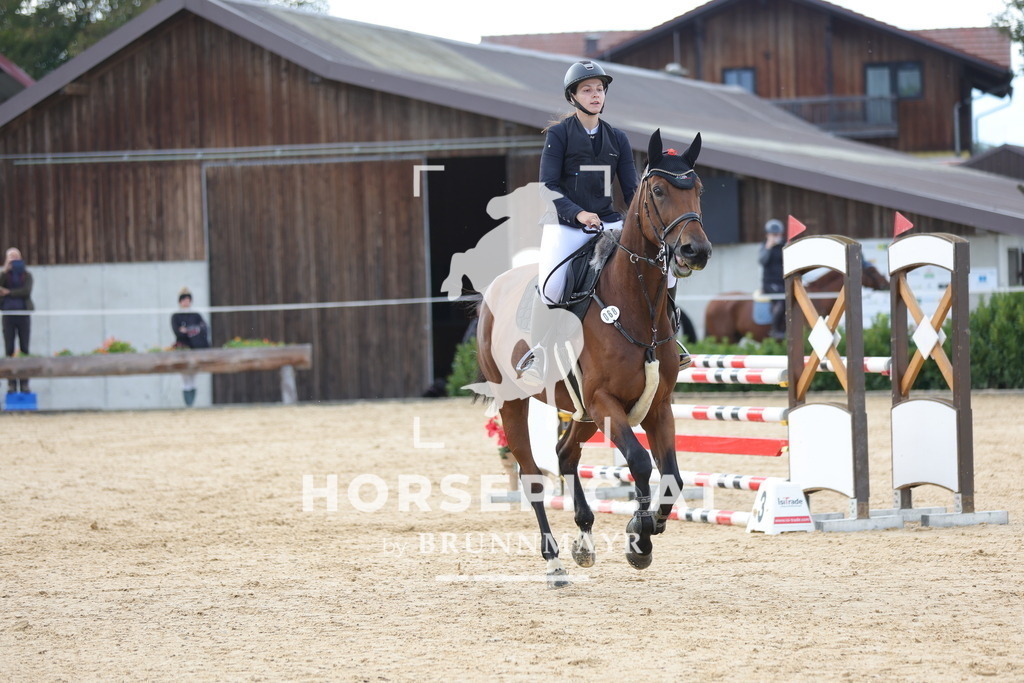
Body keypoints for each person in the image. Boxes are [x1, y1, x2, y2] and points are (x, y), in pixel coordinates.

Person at [517, 60, 689, 385]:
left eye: (599, 89)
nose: (595, 95)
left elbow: (633, 191)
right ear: (573, 96)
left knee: (662, 273)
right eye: (587, 89)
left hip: (608, 223)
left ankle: (667, 340)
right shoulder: (559, 135)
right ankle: (540, 351)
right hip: (565, 225)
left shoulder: (618, 138)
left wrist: (650, 227)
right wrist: (577, 213)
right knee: (553, 288)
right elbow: (547, 187)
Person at [1, 248, 34, 393]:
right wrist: (4, 270)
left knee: (24, 348)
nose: (13, 260)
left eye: (16, 257)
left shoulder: (26, 275)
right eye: (11, 257)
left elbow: (26, 291)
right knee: (9, 349)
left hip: (23, 314)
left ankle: (24, 382)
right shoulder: (4, 275)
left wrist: (9, 292)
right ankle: (11, 383)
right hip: (8, 314)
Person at [171, 287, 210, 406]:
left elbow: (203, 329)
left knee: (193, 376)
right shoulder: (176, 316)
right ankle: (188, 404)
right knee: (185, 376)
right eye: (183, 300)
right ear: (180, 302)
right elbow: (177, 332)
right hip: (183, 347)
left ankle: (191, 404)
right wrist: (192, 330)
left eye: (188, 299)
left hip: (195, 348)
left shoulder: (196, 314)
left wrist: (188, 330)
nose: (186, 302)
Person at [759, 219, 786, 340]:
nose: (776, 237)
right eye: (773, 235)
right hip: (770, 283)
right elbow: (762, 261)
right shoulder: (764, 246)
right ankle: (774, 330)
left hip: (783, 281)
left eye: (778, 234)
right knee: (781, 299)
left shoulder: (784, 245)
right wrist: (768, 248)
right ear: (768, 235)